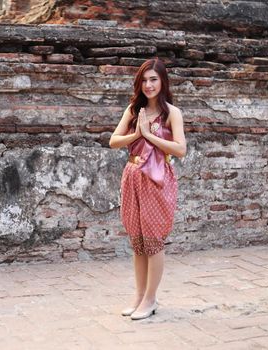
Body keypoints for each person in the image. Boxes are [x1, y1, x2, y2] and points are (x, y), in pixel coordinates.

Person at [109, 58, 187, 320]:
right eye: (144, 80)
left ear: (162, 81)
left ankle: (151, 299)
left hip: (157, 179)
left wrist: (150, 136)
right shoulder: (134, 110)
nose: (148, 85)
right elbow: (113, 141)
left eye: (153, 79)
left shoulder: (171, 113)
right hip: (133, 176)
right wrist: (136, 134)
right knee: (138, 241)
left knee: (153, 240)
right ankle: (139, 295)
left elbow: (180, 149)